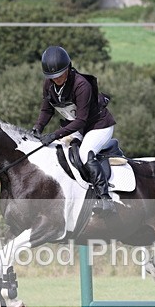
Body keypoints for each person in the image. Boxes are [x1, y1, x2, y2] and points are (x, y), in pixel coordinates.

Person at [32, 45, 117, 214]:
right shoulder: (49, 84)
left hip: (98, 126)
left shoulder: (81, 85)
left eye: (60, 74)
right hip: (77, 126)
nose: (57, 79)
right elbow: (46, 110)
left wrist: (54, 134)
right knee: (57, 152)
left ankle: (105, 198)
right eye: (53, 77)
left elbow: (81, 120)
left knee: (85, 154)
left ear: (68, 68)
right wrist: (37, 127)